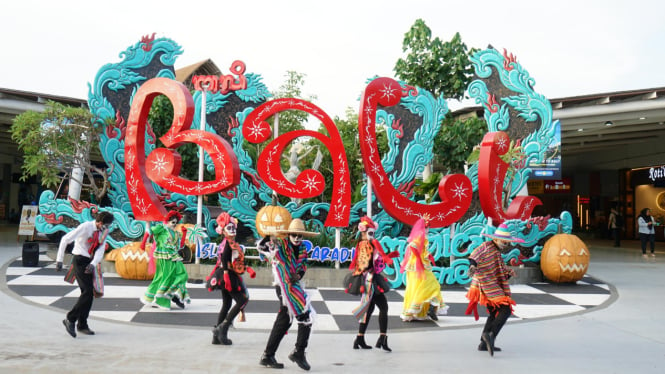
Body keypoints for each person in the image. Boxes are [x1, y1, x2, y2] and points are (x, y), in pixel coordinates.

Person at [259, 218, 318, 371]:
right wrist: (268, 237)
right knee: (304, 315)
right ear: (288, 235)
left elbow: (303, 265)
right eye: (294, 235)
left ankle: (269, 355)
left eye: (300, 236)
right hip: (283, 285)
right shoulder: (282, 245)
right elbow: (263, 247)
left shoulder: (303, 248)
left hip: (294, 285)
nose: (297, 238)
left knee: (285, 320)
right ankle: (298, 352)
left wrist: (298, 275)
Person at [465, 223, 522, 356]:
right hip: (485, 283)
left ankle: (484, 344)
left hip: (491, 284)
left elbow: (499, 270)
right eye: (503, 241)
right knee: (506, 309)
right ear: (495, 239)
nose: (505, 244)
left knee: (494, 312)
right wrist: (472, 266)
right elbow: (474, 256)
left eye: (507, 242)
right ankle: (490, 335)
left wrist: (508, 273)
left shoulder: (496, 252)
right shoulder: (486, 246)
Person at [55, 211, 114, 338]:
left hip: (90, 262)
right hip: (79, 260)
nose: (107, 228)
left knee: (88, 294)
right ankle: (70, 319)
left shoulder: (103, 232)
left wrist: (93, 263)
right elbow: (65, 239)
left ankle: (82, 325)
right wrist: (59, 260)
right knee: (87, 292)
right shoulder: (86, 227)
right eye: (106, 225)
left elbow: (100, 249)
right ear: (99, 222)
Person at [348, 216, 398, 352]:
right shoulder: (372, 243)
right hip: (370, 279)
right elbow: (376, 262)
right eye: (370, 233)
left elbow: (368, 261)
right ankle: (382, 338)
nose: (372, 236)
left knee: (368, 309)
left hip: (365, 278)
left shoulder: (360, 244)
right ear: (363, 232)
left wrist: (387, 256)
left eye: (373, 233)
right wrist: (387, 257)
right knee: (383, 307)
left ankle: (359, 338)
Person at [211, 212, 255, 345]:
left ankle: (216, 334)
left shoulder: (225, 242)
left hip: (223, 272)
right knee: (243, 299)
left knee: (227, 303)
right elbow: (225, 257)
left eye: (233, 228)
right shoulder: (229, 242)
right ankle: (223, 328)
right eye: (229, 228)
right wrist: (225, 273)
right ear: (223, 231)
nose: (233, 230)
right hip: (227, 273)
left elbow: (227, 258)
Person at [140, 210, 191, 310]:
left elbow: (180, 246)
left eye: (176, 223)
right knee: (164, 278)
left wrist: (184, 234)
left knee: (182, 274)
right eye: (173, 222)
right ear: (167, 221)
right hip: (164, 258)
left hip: (174, 257)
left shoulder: (175, 233)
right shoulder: (162, 229)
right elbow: (149, 232)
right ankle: (161, 299)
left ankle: (170, 293)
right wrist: (143, 242)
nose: (174, 225)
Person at [399, 216, 447, 322]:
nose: (428, 229)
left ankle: (426, 308)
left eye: (428, 227)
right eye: (426, 227)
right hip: (416, 267)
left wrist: (427, 255)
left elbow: (420, 249)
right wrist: (418, 259)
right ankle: (426, 308)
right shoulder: (420, 236)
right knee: (425, 286)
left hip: (420, 266)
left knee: (425, 286)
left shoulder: (423, 237)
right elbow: (412, 246)